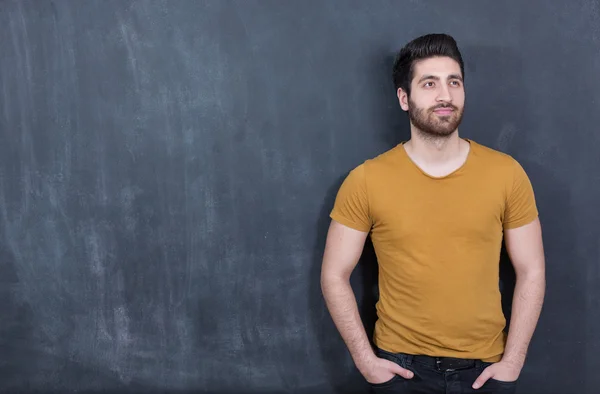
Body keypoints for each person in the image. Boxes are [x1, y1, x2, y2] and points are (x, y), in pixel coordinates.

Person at [320, 33, 546, 394]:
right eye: (429, 83)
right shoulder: (366, 180)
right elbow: (334, 275)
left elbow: (532, 270)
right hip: (400, 368)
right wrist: (367, 362)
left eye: (453, 82)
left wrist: (512, 362)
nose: (445, 95)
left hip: (485, 371)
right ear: (404, 98)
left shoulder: (507, 174)